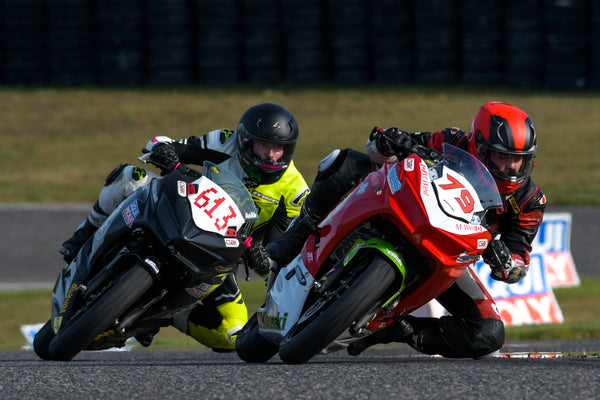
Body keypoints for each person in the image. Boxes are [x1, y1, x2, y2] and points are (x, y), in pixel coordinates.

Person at [266, 101, 546, 359]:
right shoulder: (454, 140)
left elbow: (518, 264)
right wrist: (389, 141)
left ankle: (395, 328)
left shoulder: (529, 201)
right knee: (344, 161)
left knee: (489, 333)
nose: (511, 166)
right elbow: (386, 147)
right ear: (481, 146)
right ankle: (298, 235)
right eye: (502, 156)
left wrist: (504, 261)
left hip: (447, 254)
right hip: (411, 211)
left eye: (518, 159)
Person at [59, 102, 309, 352]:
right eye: (264, 145)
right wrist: (163, 151)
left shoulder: (295, 192)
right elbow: (170, 145)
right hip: (181, 211)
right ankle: (85, 236)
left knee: (232, 332)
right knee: (129, 177)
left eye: (279, 148)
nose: (270, 154)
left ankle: (166, 315)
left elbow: (281, 254)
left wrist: (262, 258)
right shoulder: (225, 141)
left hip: (220, 255)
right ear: (245, 141)